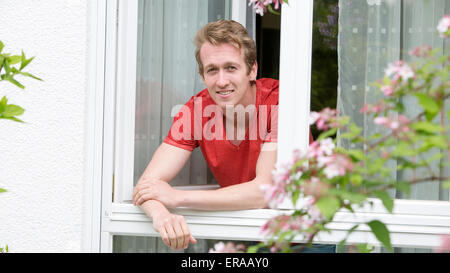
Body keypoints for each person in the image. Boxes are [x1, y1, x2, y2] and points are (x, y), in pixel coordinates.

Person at [132, 19, 313, 251]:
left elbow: (264, 192)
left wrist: (176, 198)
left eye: (231, 68)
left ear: (252, 70)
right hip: (253, 237)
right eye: (212, 70)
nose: (221, 81)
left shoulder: (279, 103)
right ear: (201, 75)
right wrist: (161, 216)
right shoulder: (196, 111)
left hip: (311, 238)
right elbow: (147, 186)